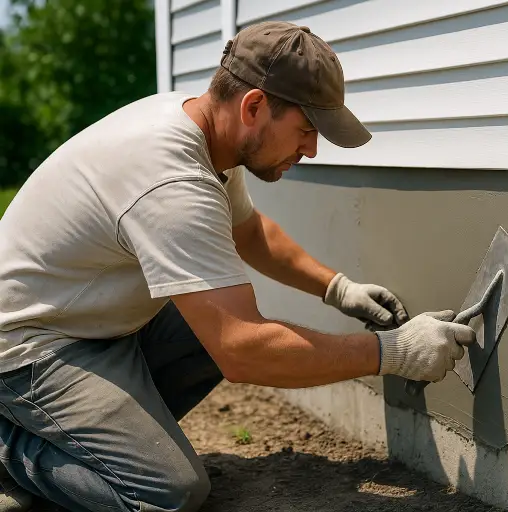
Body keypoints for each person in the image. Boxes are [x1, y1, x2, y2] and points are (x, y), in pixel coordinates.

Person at [0, 21, 476, 512]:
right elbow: (242, 352)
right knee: (165, 492)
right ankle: (14, 449)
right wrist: (390, 352)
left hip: (94, 326)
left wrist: (338, 288)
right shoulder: (171, 180)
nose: (311, 150)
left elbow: (248, 231)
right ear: (253, 107)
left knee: (212, 321)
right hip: (30, 348)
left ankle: (102, 443)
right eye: (306, 130)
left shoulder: (202, 129)